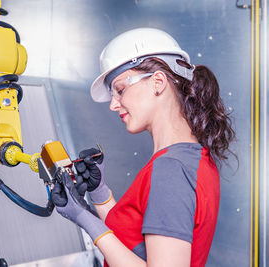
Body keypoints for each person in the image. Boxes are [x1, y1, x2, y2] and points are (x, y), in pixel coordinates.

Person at [51, 28, 235, 267]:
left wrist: (87, 221)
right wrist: (99, 195)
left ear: (158, 82)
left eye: (119, 90)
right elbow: (136, 245)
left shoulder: (170, 169)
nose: (113, 105)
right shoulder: (191, 157)